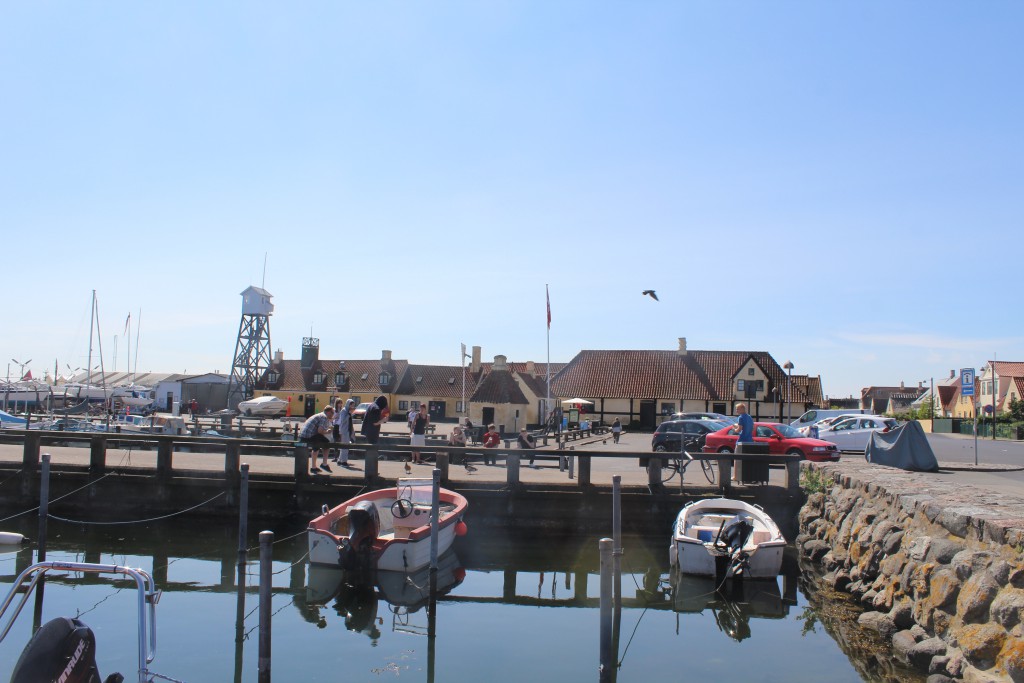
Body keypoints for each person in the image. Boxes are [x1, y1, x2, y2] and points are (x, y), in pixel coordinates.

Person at [299, 405, 334, 474]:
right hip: (309, 436)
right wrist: (327, 431)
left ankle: (314, 467)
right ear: (328, 412)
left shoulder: (319, 415)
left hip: (303, 436)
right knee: (327, 443)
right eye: (332, 412)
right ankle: (324, 464)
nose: (333, 414)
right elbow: (320, 431)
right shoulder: (324, 417)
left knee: (317, 445)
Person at [333, 398, 356, 467]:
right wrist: (349, 414)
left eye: (353, 405)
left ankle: (340, 460)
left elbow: (350, 422)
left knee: (345, 446)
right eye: (351, 405)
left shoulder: (348, 411)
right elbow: (343, 420)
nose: (352, 406)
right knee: (345, 447)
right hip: (344, 430)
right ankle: (344, 461)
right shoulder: (344, 411)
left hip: (348, 430)